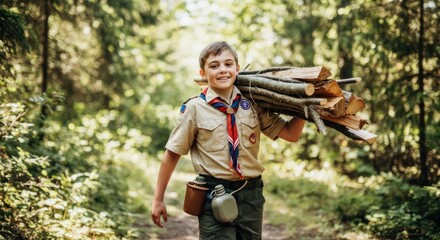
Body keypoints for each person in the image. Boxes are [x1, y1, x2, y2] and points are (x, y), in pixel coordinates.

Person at [151, 41, 305, 239]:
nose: (222, 70)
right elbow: (172, 154)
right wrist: (158, 199)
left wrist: (305, 105)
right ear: (203, 73)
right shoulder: (194, 108)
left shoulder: (253, 104)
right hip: (213, 193)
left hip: (251, 194)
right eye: (214, 66)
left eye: (228, 64)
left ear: (237, 69)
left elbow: (290, 134)